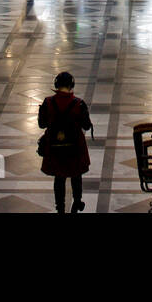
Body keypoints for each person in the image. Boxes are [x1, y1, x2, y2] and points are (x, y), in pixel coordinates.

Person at [39, 71, 93, 214]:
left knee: (59, 178)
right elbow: (87, 125)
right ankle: (77, 202)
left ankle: (60, 207)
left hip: (54, 146)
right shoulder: (79, 103)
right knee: (76, 175)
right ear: (71, 85)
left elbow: (41, 124)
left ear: (56, 84)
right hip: (75, 146)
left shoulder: (48, 102)